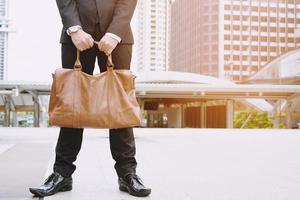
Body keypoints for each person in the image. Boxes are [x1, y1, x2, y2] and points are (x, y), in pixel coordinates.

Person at [29, 0, 151, 197]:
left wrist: (114, 33)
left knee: (119, 105)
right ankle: (62, 174)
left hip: (117, 36)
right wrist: (74, 29)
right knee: (72, 104)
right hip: (75, 35)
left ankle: (127, 173)